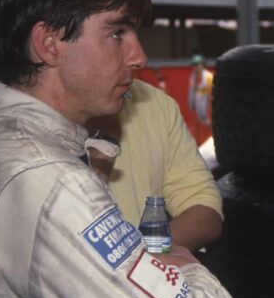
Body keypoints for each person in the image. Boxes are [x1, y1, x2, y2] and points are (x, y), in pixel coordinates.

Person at [0, 0, 231, 298]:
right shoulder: (51, 183)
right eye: (116, 34)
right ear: (48, 43)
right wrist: (186, 269)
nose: (139, 56)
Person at [86, 79, 224, 253]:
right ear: (50, 50)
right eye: (116, 49)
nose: (139, 58)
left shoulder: (154, 102)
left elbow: (204, 206)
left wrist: (143, 261)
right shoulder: (42, 130)